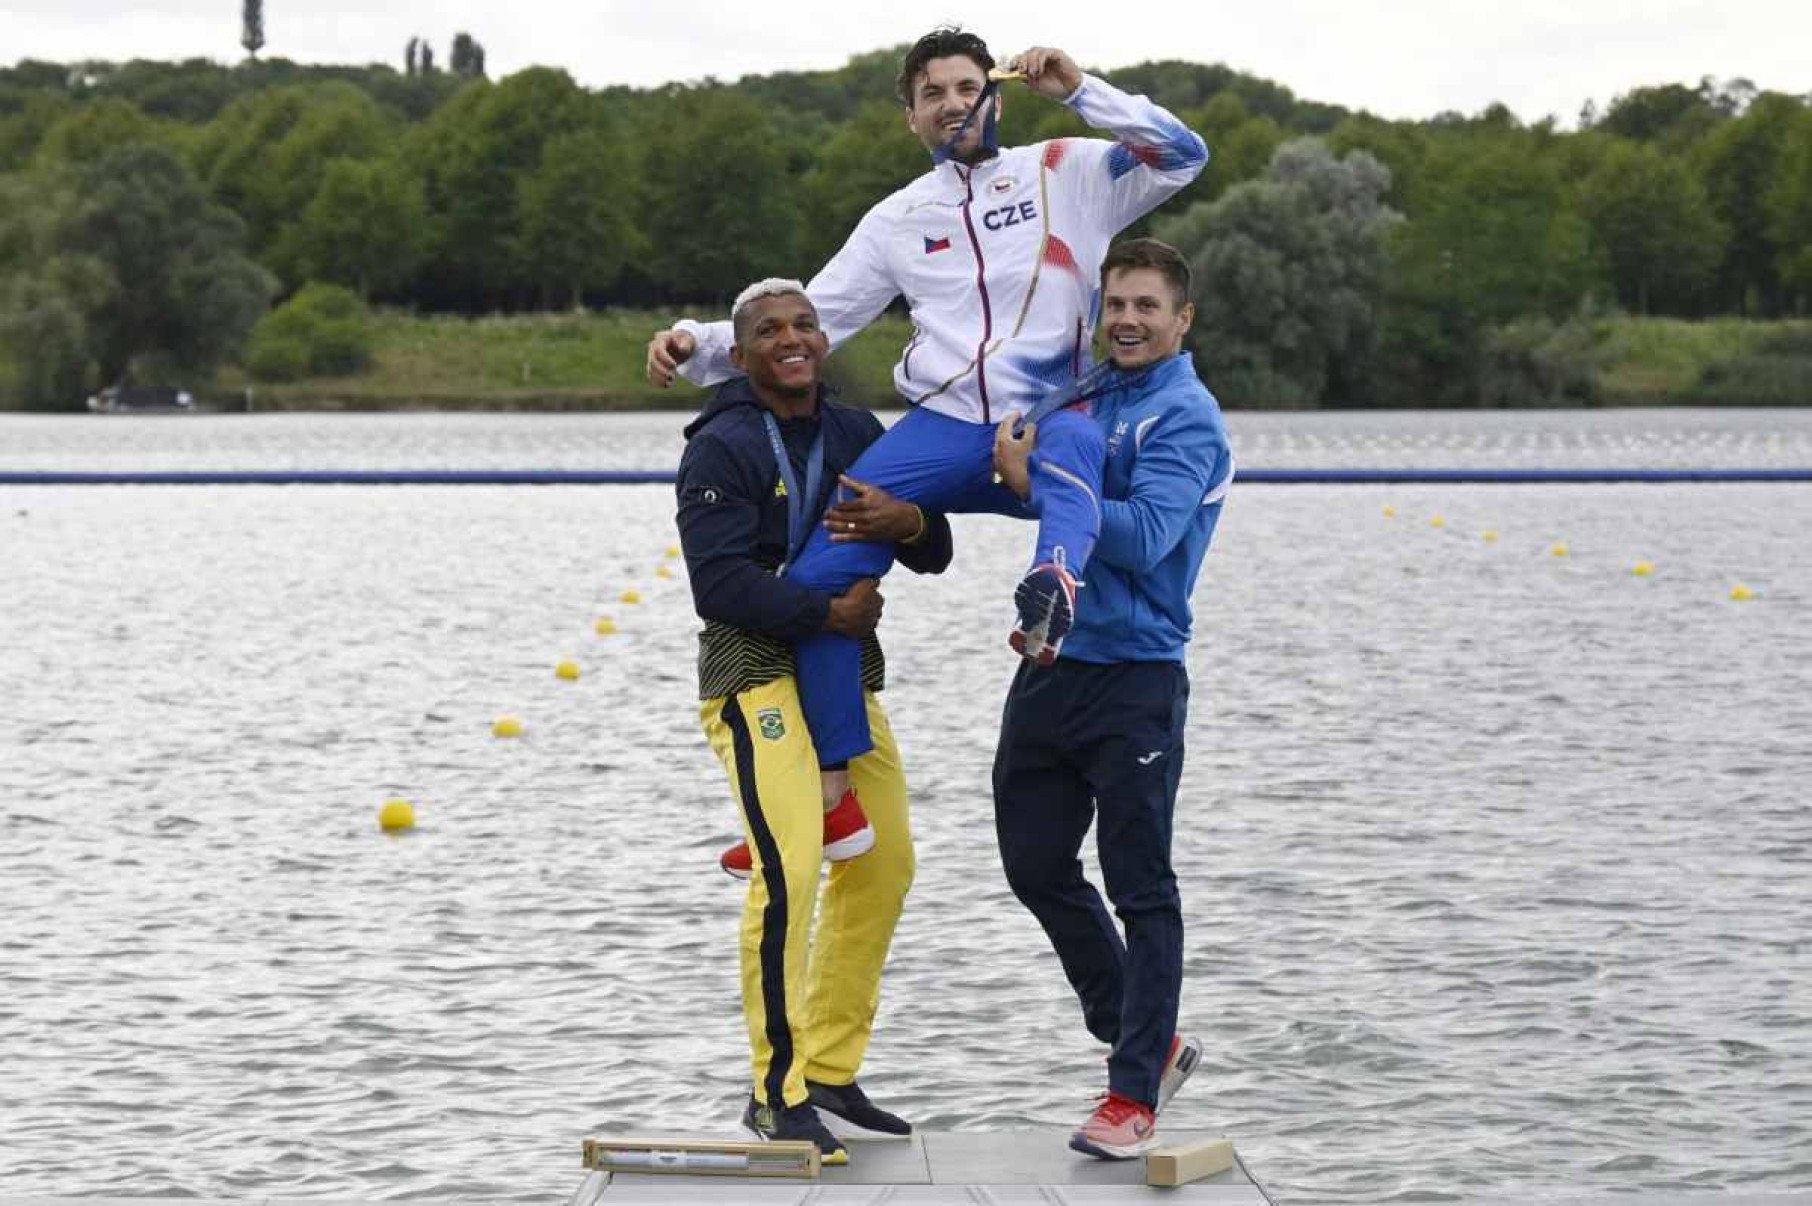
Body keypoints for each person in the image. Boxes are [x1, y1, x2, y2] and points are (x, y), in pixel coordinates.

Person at [647, 28, 1210, 815]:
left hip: (1045, 418)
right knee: (819, 574)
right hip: (943, 429)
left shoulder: (1067, 170)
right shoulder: (898, 219)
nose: (952, 105)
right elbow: (819, 315)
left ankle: (1050, 593)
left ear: (996, 95)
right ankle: (836, 784)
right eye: (932, 95)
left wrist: (1084, 92)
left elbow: (1183, 154)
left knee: (1081, 447)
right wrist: (696, 345)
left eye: (965, 87)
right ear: (911, 117)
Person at [677, 279, 954, 1163]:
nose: (790, 340)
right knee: (790, 872)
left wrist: (906, 519)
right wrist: (825, 616)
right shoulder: (719, 447)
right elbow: (717, 588)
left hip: (846, 679)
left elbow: (935, 549)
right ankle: (775, 1090)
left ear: (823, 340)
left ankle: (832, 1070)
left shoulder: (856, 432)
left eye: (803, 325)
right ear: (742, 350)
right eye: (768, 331)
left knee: (888, 863)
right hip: (754, 676)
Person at [991, 238, 1233, 1160]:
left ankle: (1132, 1094)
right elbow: (1055, 504)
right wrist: (1017, 482)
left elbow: (1137, 537)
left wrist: (1042, 482)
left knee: (1141, 885)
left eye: (1146, 306)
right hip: (1052, 666)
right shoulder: (1084, 394)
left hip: (1137, 676)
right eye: (1116, 304)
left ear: (1183, 319)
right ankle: (1149, 1037)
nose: (1127, 320)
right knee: (1033, 863)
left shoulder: (1188, 417)